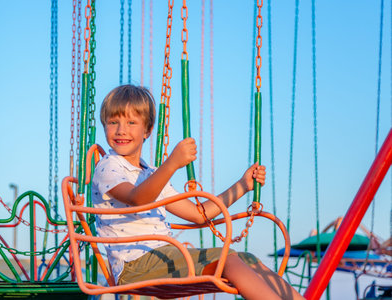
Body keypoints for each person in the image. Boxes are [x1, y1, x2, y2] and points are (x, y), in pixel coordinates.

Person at [92, 84, 304, 300]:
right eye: (113, 122)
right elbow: (138, 199)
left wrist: (242, 185)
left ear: (147, 130)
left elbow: (198, 214)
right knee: (226, 259)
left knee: (248, 259)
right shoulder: (108, 166)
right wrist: (172, 164)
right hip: (135, 266)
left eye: (131, 122)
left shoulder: (150, 174)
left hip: (162, 256)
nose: (121, 130)